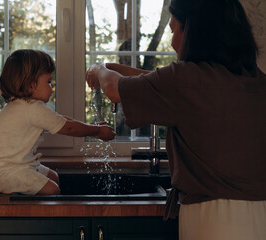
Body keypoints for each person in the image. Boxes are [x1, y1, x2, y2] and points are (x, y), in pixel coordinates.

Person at [85, 0, 266, 239]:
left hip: (213, 220)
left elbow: (114, 90)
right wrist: (113, 67)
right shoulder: (255, 80)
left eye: (173, 30)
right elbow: (157, 84)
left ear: (193, 30)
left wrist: (98, 69)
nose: (172, 42)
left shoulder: (184, 80)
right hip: (259, 214)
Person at [0, 49, 115, 196]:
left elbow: (62, 120)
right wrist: (97, 131)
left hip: (13, 167)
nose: (52, 87)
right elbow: (69, 128)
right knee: (52, 189)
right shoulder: (31, 108)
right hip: (3, 173)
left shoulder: (22, 105)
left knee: (53, 177)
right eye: (49, 81)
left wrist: (93, 127)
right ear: (32, 85)